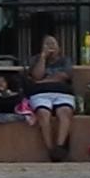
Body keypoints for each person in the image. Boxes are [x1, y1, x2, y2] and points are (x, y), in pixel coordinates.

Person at [28, 34, 77, 162]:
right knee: (43, 114)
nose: (51, 47)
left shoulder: (65, 60)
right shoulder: (35, 60)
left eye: (53, 44)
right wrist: (43, 58)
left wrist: (43, 80)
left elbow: (64, 76)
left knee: (65, 112)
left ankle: (60, 147)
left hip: (62, 92)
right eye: (47, 44)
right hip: (41, 94)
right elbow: (37, 76)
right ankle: (50, 149)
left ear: (59, 47)